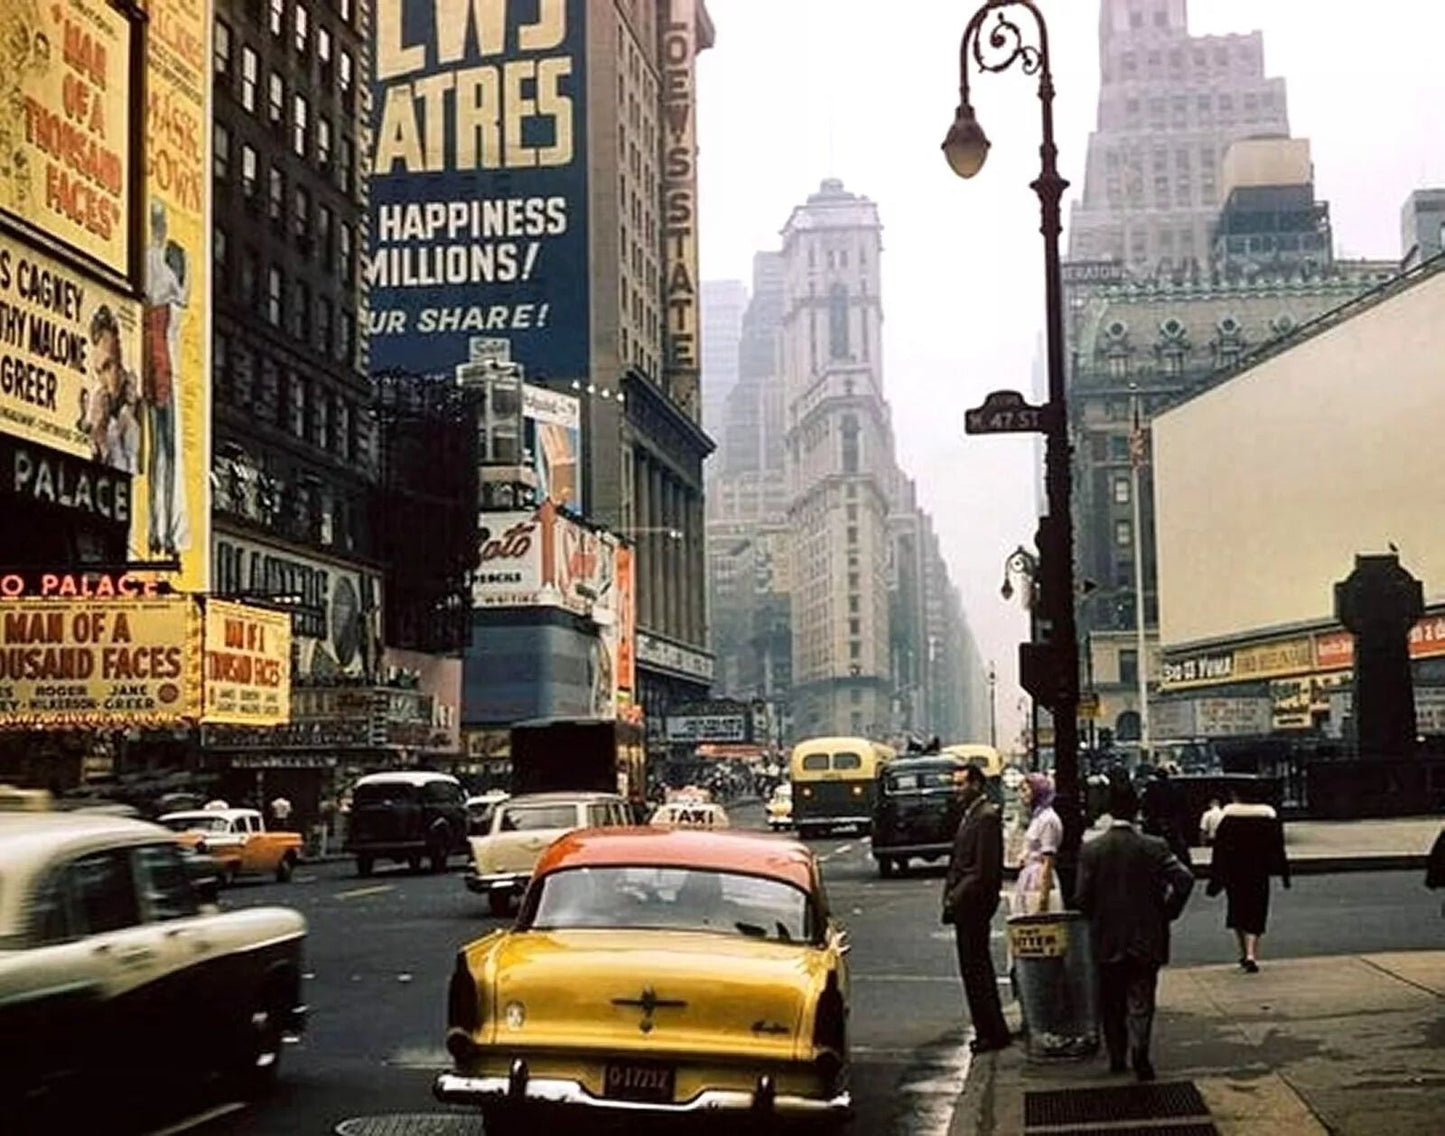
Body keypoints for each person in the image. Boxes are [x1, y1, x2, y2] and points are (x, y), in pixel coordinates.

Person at [1074, 782, 1194, 1082]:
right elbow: (1185, 879)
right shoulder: (1154, 847)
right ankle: (1140, 1050)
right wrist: (1168, 911)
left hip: (1106, 936)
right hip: (1146, 934)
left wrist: (1094, 915)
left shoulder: (1092, 849)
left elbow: (1082, 898)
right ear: (1136, 810)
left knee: (1110, 1000)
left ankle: (1117, 1054)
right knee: (1141, 997)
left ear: (1108, 811)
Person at [942, 763, 1011, 1054]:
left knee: (977, 971)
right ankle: (989, 1029)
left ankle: (991, 1032)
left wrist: (955, 897)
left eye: (961, 785)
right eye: (954, 784)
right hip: (968, 905)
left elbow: (982, 870)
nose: (956, 790)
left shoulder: (985, 817)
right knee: (973, 971)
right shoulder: (972, 815)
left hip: (974, 905)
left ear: (977, 785)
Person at [1206, 784, 1289, 972]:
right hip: (1259, 872)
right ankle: (1252, 953)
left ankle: (1244, 952)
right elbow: (1278, 848)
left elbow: (1219, 852)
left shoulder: (1228, 820)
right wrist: (1283, 872)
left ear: (1236, 796)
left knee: (1237, 911)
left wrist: (1216, 879)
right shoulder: (1267, 819)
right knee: (1256, 911)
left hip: (1235, 873)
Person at [1011, 773, 1063, 915]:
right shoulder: (1037, 817)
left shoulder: (1048, 820)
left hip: (1037, 879)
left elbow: (1048, 860)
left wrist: (1043, 899)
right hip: (1029, 875)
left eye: (1026, 790)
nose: (1022, 795)